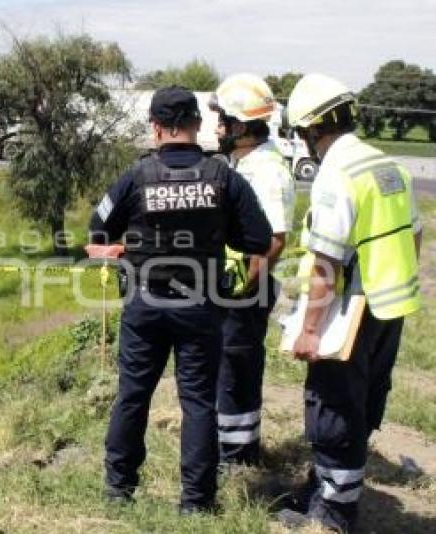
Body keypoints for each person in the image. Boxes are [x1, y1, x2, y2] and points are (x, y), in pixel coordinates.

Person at [87, 86, 272, 513]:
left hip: (145, 303)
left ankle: (119, 490)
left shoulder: (137, 176)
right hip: (201, 307)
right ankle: (196, 502)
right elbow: (259, 239)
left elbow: (98, 229)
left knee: (133, 394)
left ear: (155, 127)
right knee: (198, 402)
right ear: (195, 124)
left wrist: (126, 245)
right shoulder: (224, 177)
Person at [277, 74, 423, 533]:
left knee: (333, 405)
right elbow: (415, 235)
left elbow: (326, 264)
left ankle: (334, 513)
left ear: (308, 131)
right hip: (389, 304)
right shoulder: (388, 165)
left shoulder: (336, 176)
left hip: (350, 311)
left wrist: (310, 329)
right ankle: (324, 487)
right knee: (364, 399)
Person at [208, 74, 296, 465]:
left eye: (223, 121)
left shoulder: (265, 171)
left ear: (241, 126)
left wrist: (241, 289)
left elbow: (275, 240)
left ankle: (238, 457)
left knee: (236, 373)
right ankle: (229, 446)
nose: (217, 128)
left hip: (245, 290)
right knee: (226, 370)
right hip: (234, 286)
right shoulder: (245, 163)